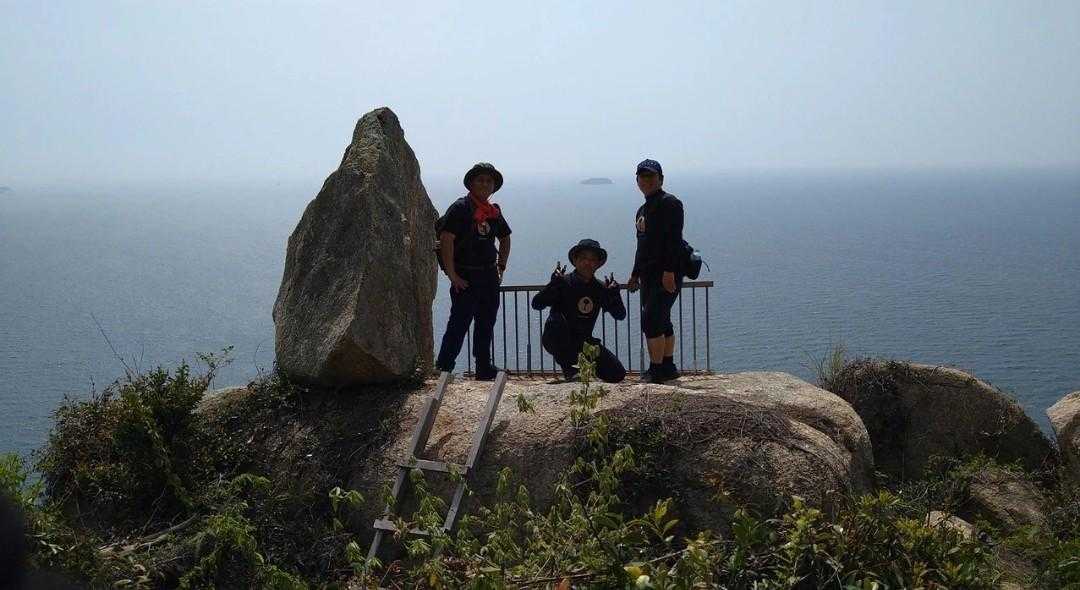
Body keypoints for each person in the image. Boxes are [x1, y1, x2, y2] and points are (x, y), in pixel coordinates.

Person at [434, 163, 512, 380]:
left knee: (486, 322)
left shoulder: (493, 212)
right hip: (466, 276)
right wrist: (453, 276)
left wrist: (501, 266)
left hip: (489, 275)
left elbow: (505, 238)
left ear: (494, 186)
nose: (485, 184)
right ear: (471, 184)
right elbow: (446, 240)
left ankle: (483, 367)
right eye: (480, 180)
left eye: (489, 181)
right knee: (459, 323)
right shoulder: (460, 208)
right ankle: (443, 369)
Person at [532, 239, 627, 383]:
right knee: (556, 323)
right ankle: (571, 370)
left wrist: (615, 295)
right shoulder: (563, 282)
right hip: (558, 338)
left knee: (617, 373)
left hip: (584, 342)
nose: (587, 263)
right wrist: (552, 285)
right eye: (583, 258)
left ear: (598, 264)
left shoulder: (600, 289)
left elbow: (620, 315)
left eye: (592, 260)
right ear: (575, 261)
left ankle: (584, 370)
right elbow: (537, 304)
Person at [627, 159, 684, 383]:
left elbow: (674, 240)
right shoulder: (642, 210)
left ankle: (656, 370)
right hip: (649, 275)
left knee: (651, 321)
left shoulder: (670, 203)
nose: (646, 180)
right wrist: (635, 274)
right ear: (637, 181)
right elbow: (642, 247)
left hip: (667, 274)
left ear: (661, 179)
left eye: (651, 176)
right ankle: (668, 366)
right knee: (662, 320)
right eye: (642, 176)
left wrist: (669, 272)